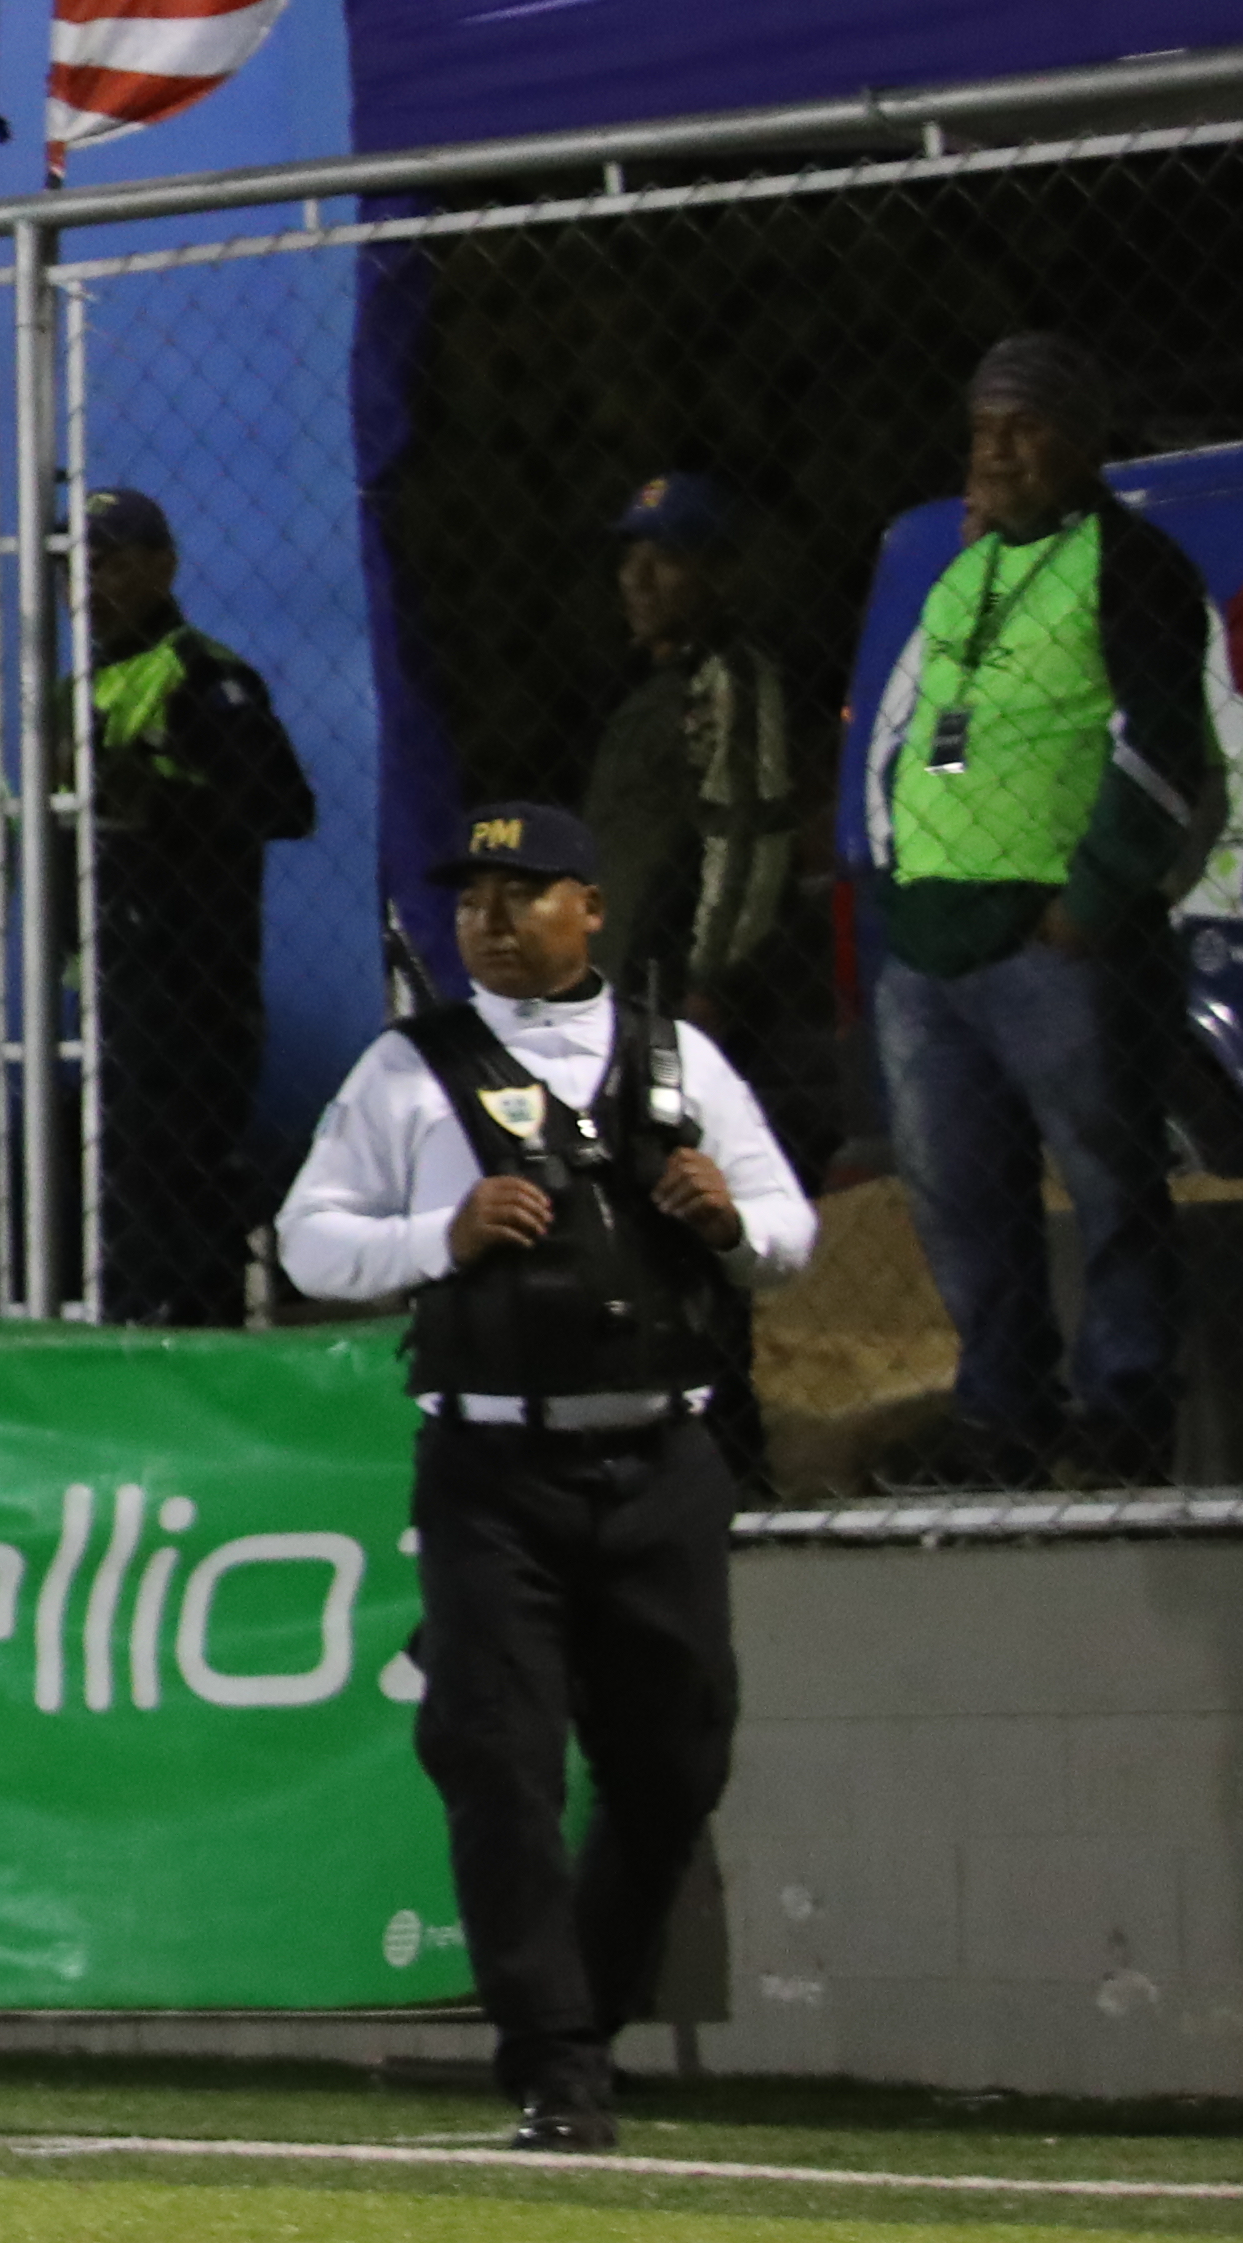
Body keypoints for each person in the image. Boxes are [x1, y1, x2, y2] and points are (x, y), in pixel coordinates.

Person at [275, 802, 814, 2152]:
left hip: (663, 1459)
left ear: (591, 908)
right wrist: (438, 1235)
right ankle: (555, 2063)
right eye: (471, 899)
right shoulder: (408, 1070)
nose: (489, 920)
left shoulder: (680, 1059)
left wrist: (728, 1220)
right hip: (491, 1465)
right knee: (499, 1761)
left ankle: (587, 2008)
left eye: (522, 894)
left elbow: (792, 1232)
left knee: (676, 1763)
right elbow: (306, 1245)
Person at [860, 334, 1226, 1486]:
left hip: (1056, 944)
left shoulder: (1131, 563)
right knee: (963, 1200)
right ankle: (1001, 1415)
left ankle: (1123, 1416)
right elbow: (908, 739)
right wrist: (890, 882)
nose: (999, 450)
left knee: (1114, 1187)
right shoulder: (962, 569)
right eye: (983, 428)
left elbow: (1168, 749)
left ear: (1082, 439)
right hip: (931, 945)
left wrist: (1091, 902)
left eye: (1026, 426)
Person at [72, 488, 318, 1323]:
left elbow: (284, 806)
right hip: (107, 981)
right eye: (79, 562)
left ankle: (206, 1347)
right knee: (117, 1192)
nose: (92, 579)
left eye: (110, 559)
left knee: (181, 1184)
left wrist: (159, 799)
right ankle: (132, 1348)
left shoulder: (202, 676)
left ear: (162, 566)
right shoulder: (76, 686)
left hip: (190, 984)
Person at [579, 474, 839, 1179]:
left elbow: (747, 839)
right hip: (634, 982)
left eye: (664, 558)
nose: (638, 578)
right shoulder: (653, 685)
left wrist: (710, 981)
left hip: (688, 991)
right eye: (631, 557)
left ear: (718, 572)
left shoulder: (732, 678)